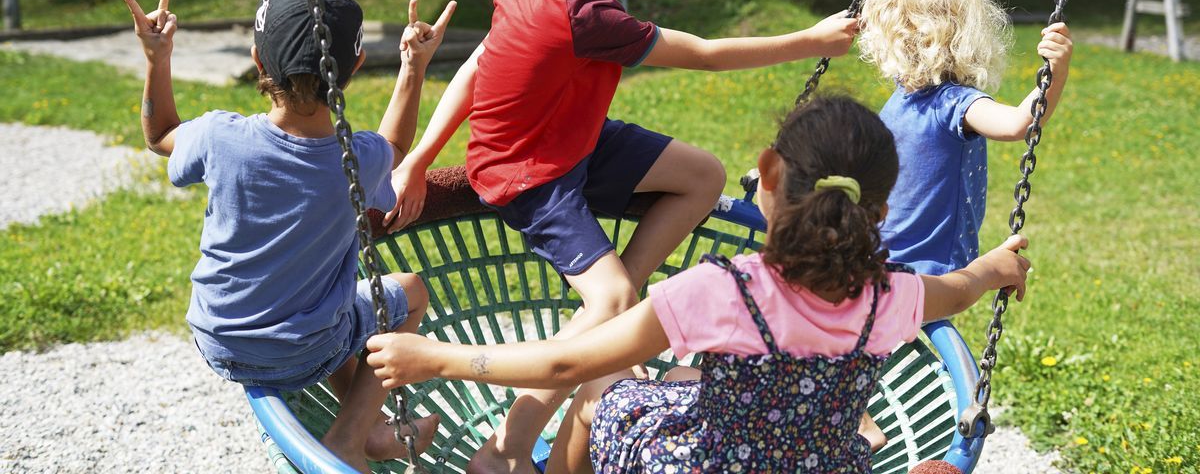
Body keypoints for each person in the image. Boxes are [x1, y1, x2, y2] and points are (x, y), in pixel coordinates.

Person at [384, 0, 860, 473]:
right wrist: (811, 41)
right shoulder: (587, 13)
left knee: (701, 175)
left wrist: (420, 158)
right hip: (531, 172)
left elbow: (473, 68)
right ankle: (506, 449)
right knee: (608, 304)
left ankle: (617, 298)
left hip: (568, 140)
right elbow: (706, 53)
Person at [366, 95, 1032, 474]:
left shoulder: (727, 289)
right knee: (685, 382)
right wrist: (999, 267)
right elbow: (963, 285)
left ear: (767, 179)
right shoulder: (892, 294)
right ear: (879, 212)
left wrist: (440, 358)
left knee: (602, 396)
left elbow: (566, 360)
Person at [121, 0, 454, 473]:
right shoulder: (357, 158)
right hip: (308, 347)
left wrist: (157, 57)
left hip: (221, 339)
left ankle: (373, 429)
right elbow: (397, 148)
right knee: (408, 290)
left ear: (258, 61)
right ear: (356, 66)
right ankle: (351, 437)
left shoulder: (218, 137)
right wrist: (413, 67)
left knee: (335, 303)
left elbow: (161, 133)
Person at [859, 0, 1073, 276]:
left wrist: (1056, 73)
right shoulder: (905, 91)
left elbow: (1018, 124)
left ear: (902, 39)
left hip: (925, 270)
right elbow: (877, 13)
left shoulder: (954, 104)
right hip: (878, 259)